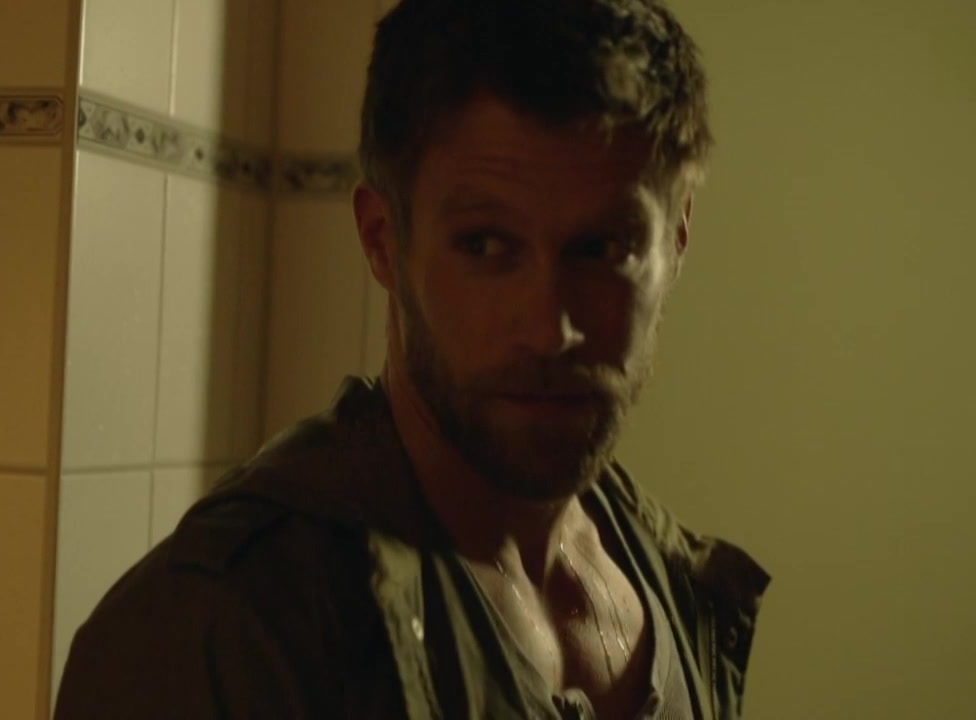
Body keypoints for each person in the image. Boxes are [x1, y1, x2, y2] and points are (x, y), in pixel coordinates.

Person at [55, 1, 769, 718]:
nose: (550, 330)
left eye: (604, 249)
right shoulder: (221, 626)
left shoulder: (674, 585)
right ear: (383, 240)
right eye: (486, 246)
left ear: (677, 239)